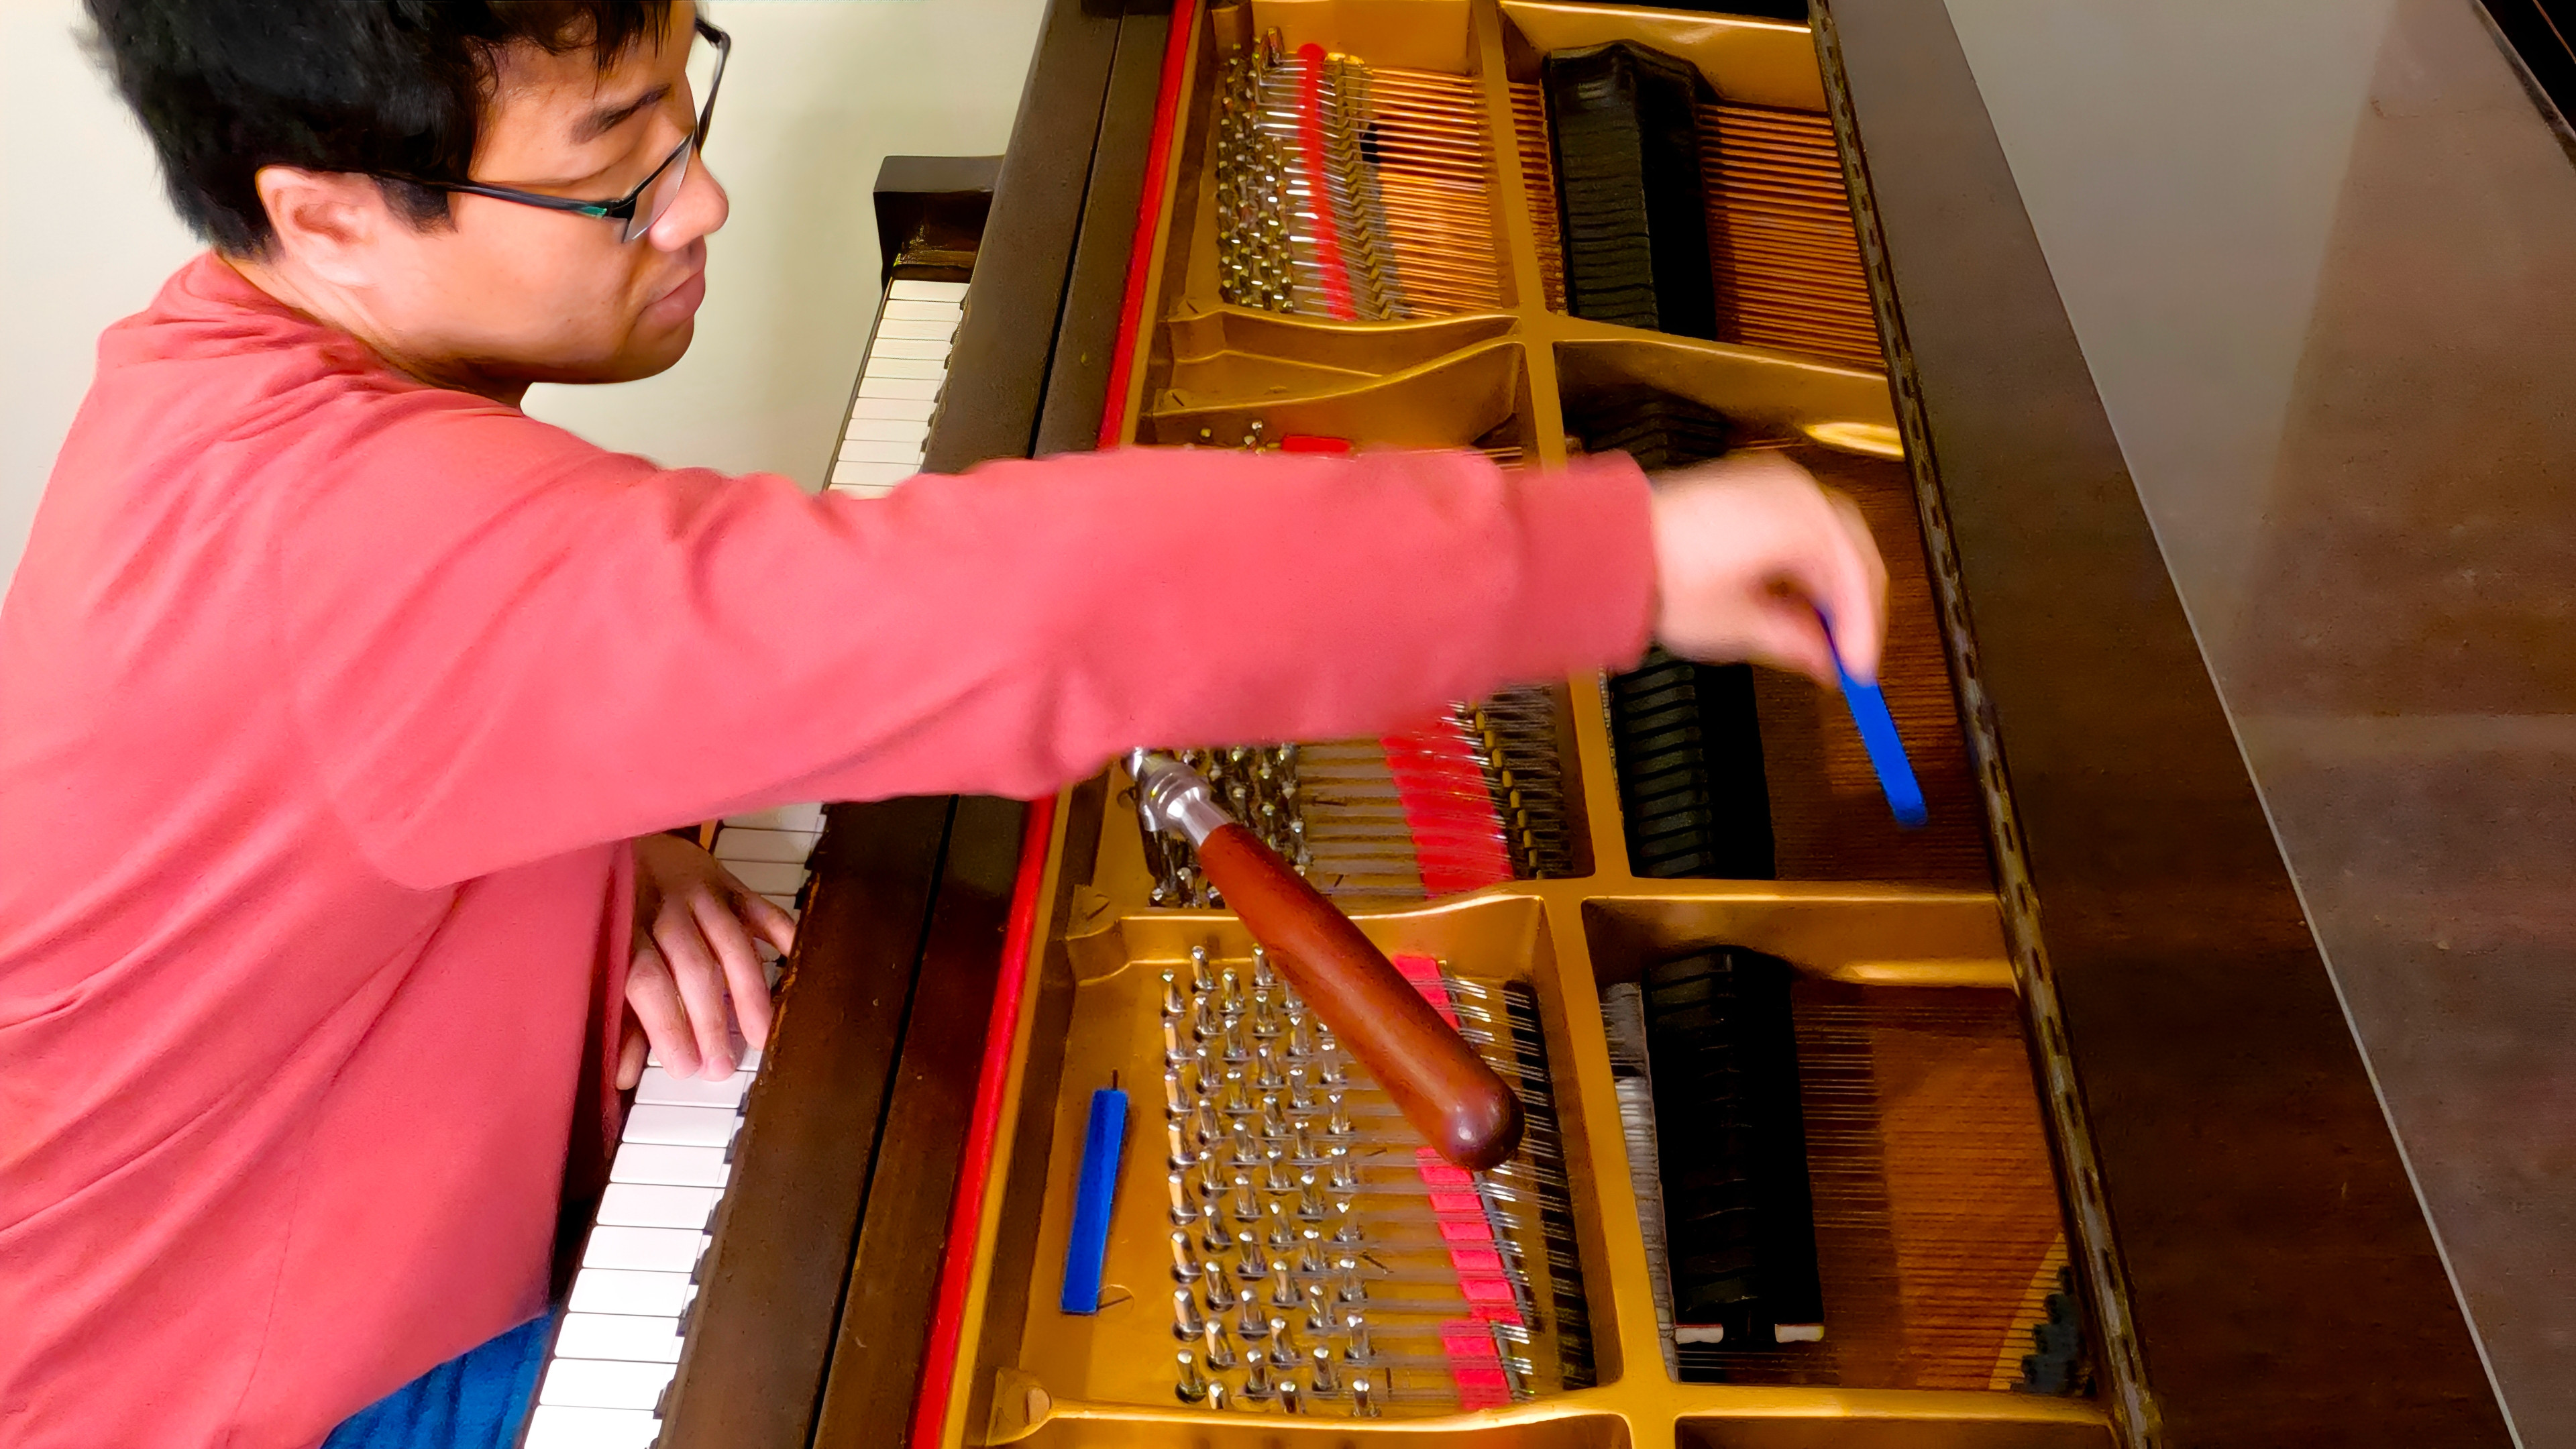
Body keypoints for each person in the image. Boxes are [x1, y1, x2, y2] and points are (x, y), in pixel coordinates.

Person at [0, 3, 1888, 1446]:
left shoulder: (205, 367)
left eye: (689, 104)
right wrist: (1610, 551)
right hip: (250, 1400)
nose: (703, 197)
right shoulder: (360, 551)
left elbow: (368, 748)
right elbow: (1017, 611)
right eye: (621, 164)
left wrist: (595, 842)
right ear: (326, 212)